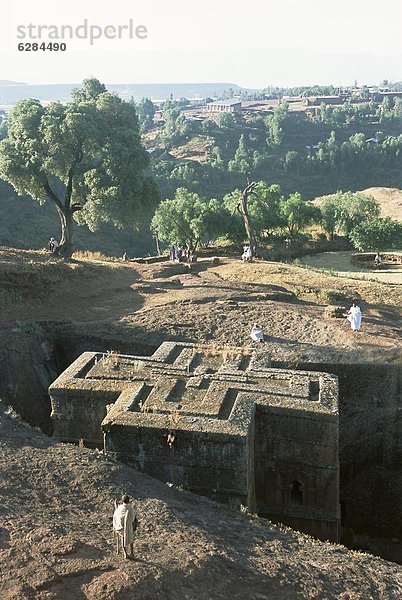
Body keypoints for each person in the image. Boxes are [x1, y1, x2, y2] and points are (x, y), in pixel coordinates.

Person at [113, 494, 136, 560]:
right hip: (128, 526)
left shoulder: (119, 507)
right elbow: (132, 518)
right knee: (130, 538)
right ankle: (132, 553)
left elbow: (116, 514)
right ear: (128, 501)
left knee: (122, 538)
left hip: (120, 526)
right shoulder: (130, 508)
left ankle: (125, 553)